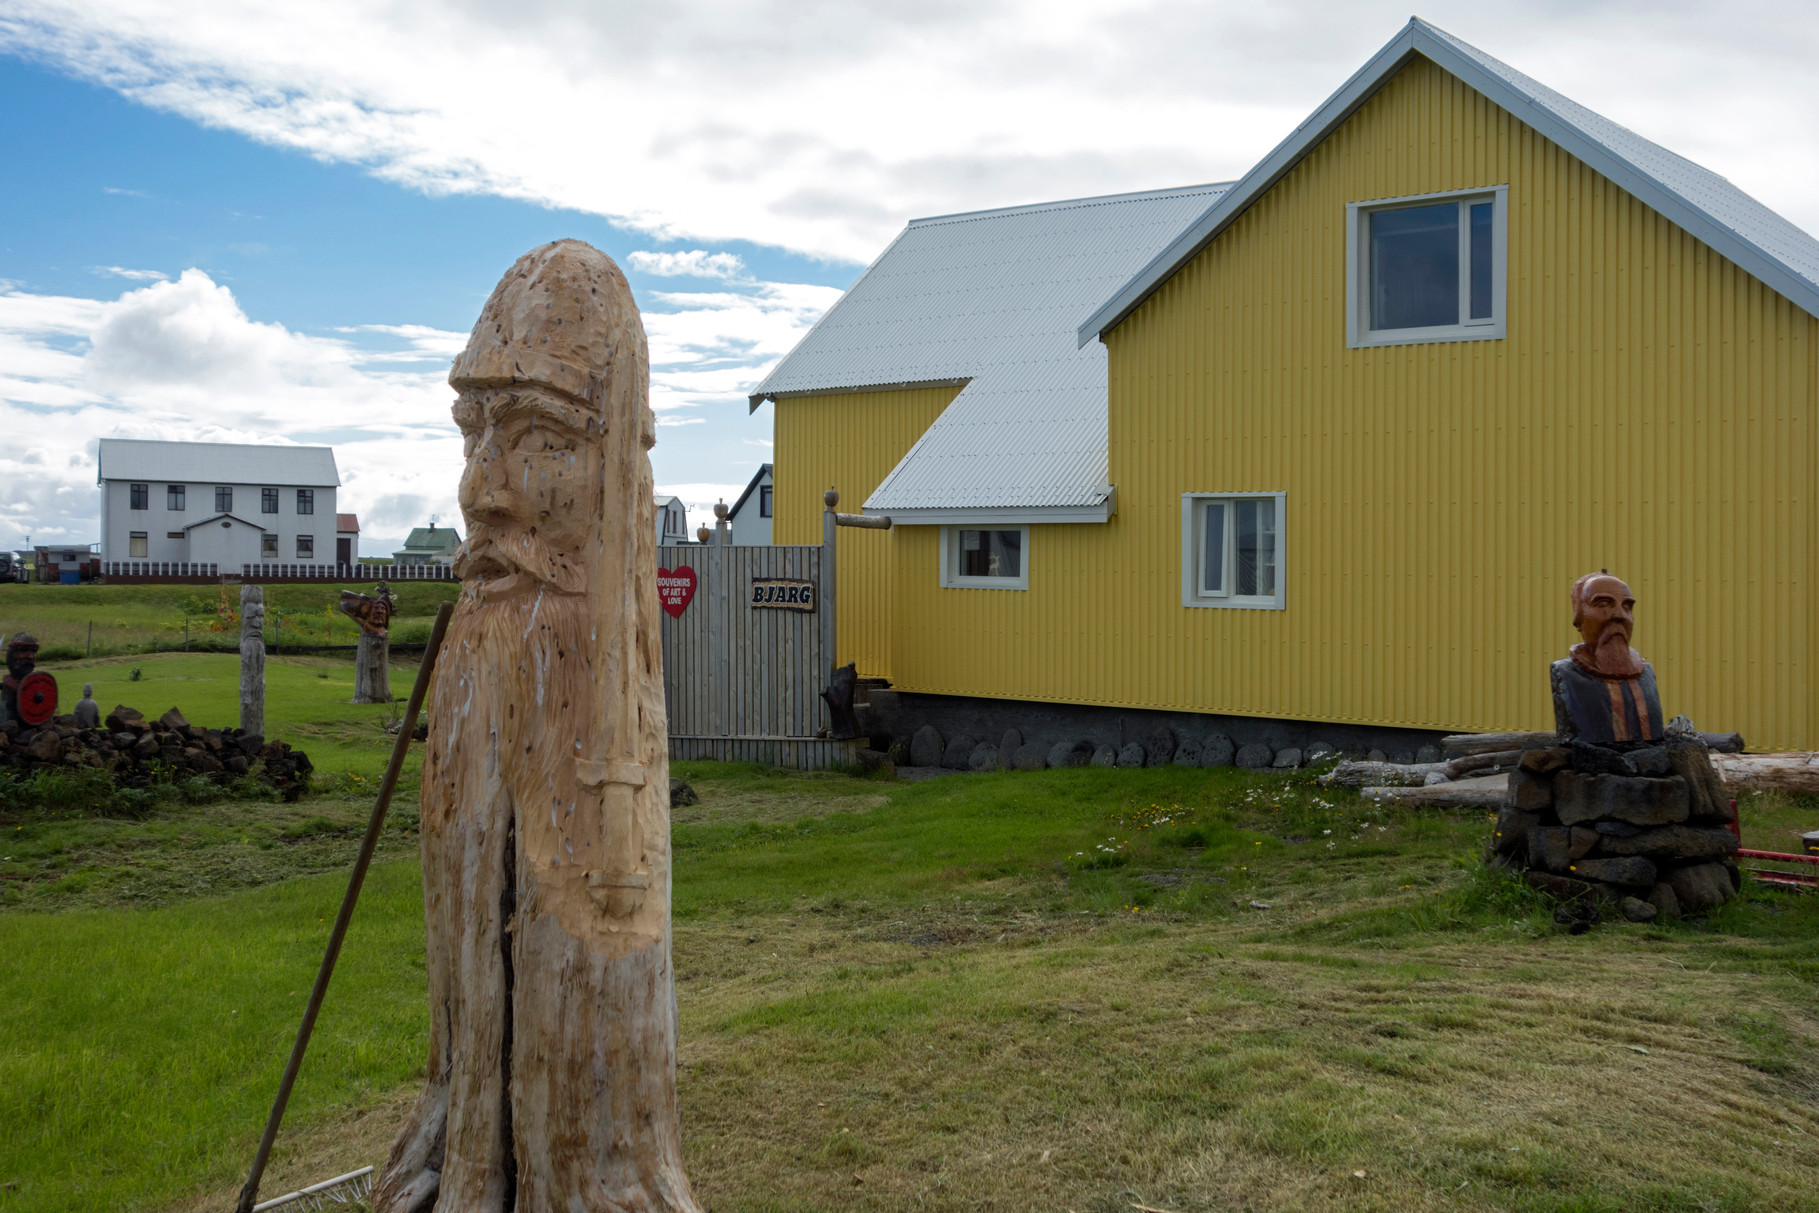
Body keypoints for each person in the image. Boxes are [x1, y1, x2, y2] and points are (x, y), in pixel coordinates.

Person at [375, 241, 700, 1212]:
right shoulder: (479, 641)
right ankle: (467, 1154)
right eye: (473, 436)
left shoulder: (597, 661)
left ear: (618, 465)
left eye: (538, 436)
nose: (483, 490)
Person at [1551, 572, 1664, 743]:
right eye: (1603, 604)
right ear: (1579, 617)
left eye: (1626, 607)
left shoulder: (1646, 674)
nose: (1620, 615)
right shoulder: (1567, 673)